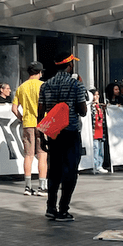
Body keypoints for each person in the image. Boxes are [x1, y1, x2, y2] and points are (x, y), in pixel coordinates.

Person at [38, 51, 88, 222]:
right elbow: (83, 111)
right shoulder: (76, 85)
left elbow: (41, 113)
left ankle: (50, 207)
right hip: (71, 132)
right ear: (70, 64)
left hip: (53, 133)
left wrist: (41, 135)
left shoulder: (45, 85)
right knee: (70, 172)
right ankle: (63, 209)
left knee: (54, 170)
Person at [12, 61, 47, 197]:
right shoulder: (43, 86)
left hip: (27, 123)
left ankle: (27, 187)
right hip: (42, 123)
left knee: (28, 155)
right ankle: (42, 187)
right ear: (39, 73)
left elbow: (14, 109)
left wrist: (22, 118)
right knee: (42, 155)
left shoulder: (21, 87)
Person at [90, 88, 108, 175]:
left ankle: (100, 165)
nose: (96, 97)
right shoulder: (90, 107)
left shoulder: (100, 106)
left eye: (97, 95)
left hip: (101, 131)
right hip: (94, 131)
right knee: (95, 149)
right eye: (94, 95)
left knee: (101, 149)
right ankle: (95, 165)